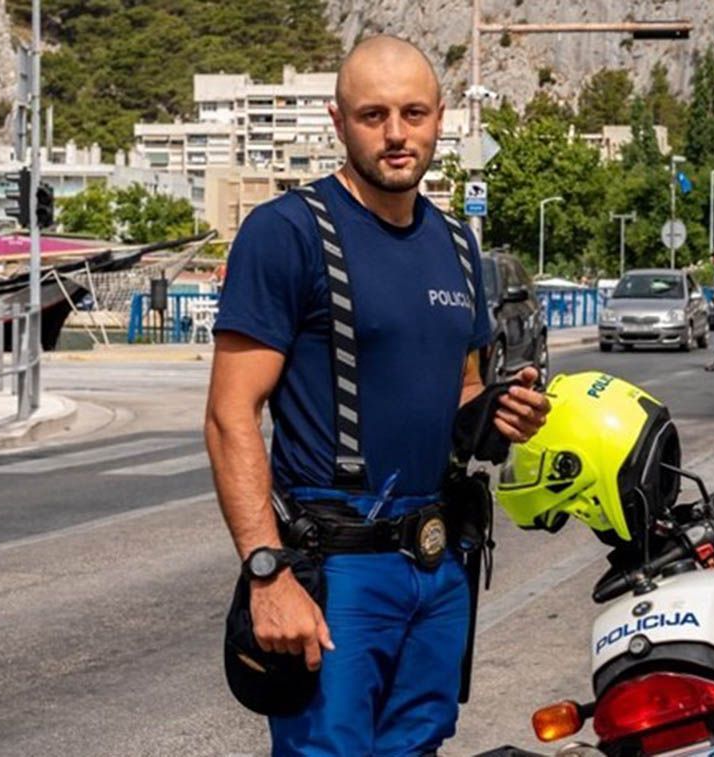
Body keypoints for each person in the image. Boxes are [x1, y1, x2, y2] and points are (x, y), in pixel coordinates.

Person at [204, 35, 550, 756]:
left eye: (413, 113)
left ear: (440, 118)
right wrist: (267, 571)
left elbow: (463, 387)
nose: (396, 133)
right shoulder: (288, 232)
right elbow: (230, 415)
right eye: (373, 115)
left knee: (420, 744)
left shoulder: (457, 245)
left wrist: (500, 413)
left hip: (438, 562)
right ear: (339, 121)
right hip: (340, 568)